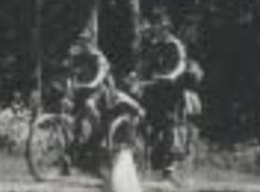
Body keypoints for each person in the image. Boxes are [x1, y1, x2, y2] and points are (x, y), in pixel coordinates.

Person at [140, 26, 204, 177]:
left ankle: (170, 163)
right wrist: (136, 73)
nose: (159, 32)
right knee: (148, 119)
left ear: (168, 30)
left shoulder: (175, 45)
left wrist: (172, 76)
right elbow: (146, 63)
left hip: (172, 89)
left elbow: (180, 65)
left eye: (162, 29)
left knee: (170, 123)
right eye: (157, 29)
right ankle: (150, 157)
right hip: (156, 87)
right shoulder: (155, 46)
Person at [67, 35, 140, 149]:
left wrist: (91, 84)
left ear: (90, 44)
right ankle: (76, 140)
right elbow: (71, 74)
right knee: (72, 109)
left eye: (85, 43)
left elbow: (100, 74)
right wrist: (70, 85)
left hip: (100, 91)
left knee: (89, 105)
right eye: (80, 43)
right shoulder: (78, 57)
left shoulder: (98, 57)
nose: (82, 46)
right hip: (84, 90)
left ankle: (99, 132)